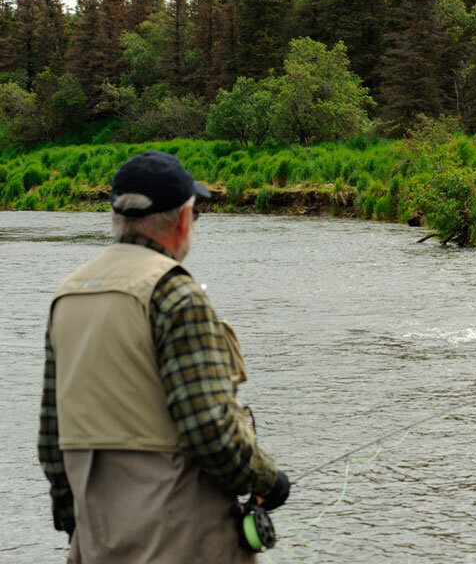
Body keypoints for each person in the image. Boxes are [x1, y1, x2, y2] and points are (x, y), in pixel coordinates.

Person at [38, 151, 290, 563]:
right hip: (183, 542)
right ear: (181, 218)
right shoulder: (175, 293)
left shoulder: (68, 294)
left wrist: (77, 529)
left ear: (118, 217)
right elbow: (208, 428)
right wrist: (269, 480)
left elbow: (51, 442)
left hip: (95, 543)